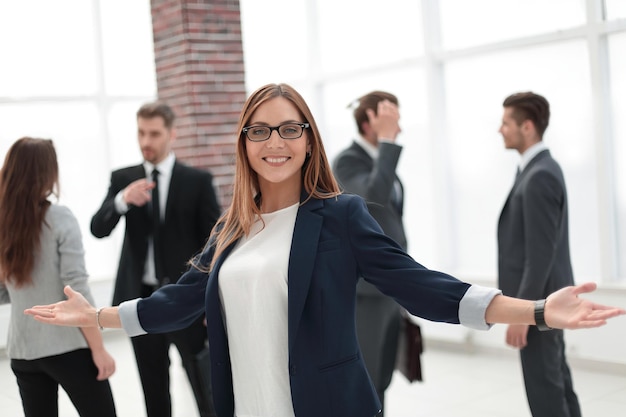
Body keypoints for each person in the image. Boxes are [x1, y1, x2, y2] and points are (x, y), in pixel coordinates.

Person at [25, 84, 624, 417]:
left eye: (290, 128)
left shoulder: (340, 217)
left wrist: (538, 310)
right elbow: (179, 301)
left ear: (309, 140)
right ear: (244, 143)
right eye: (259, 130)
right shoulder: (233, 225)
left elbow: (423, 286)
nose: (275, 142)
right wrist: (98, 316)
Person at [90, 101, 221, 417]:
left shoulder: (197, 181)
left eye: (154, 133)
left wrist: (211, 300)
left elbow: (217, 245)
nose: (146, 141)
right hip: (139, 300)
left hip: (185, 300)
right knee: (154, 392)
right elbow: (98, 228)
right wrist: (122, 201)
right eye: (140, 133)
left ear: (172, 134)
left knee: (205, 388)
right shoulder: (124, 179)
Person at [0, 137, 117, 417]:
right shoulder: (60, 217)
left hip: (23, 350)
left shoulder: (4, 222)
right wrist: (98, 349)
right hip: (69, 346)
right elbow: (76, 289)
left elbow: (6, 291)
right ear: (47, 173)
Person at [497, 92, 582, 417]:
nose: (500, 129)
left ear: (527, 127)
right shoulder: (537, 169)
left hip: (543, 306)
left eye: (506, 123)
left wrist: (525, 313)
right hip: (547, 304)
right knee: (556, 379)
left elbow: (540, 255)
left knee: (545, 390)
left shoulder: (539, 176)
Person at [332, 91, 405, 415]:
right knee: (367, 377)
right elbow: (373, 199)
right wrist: (388, 144)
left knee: (384, 375)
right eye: (391, 122)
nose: (398, 129)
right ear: (368, 122)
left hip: (389, 286)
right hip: (366, 291)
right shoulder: (347, 161)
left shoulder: (378, 161)